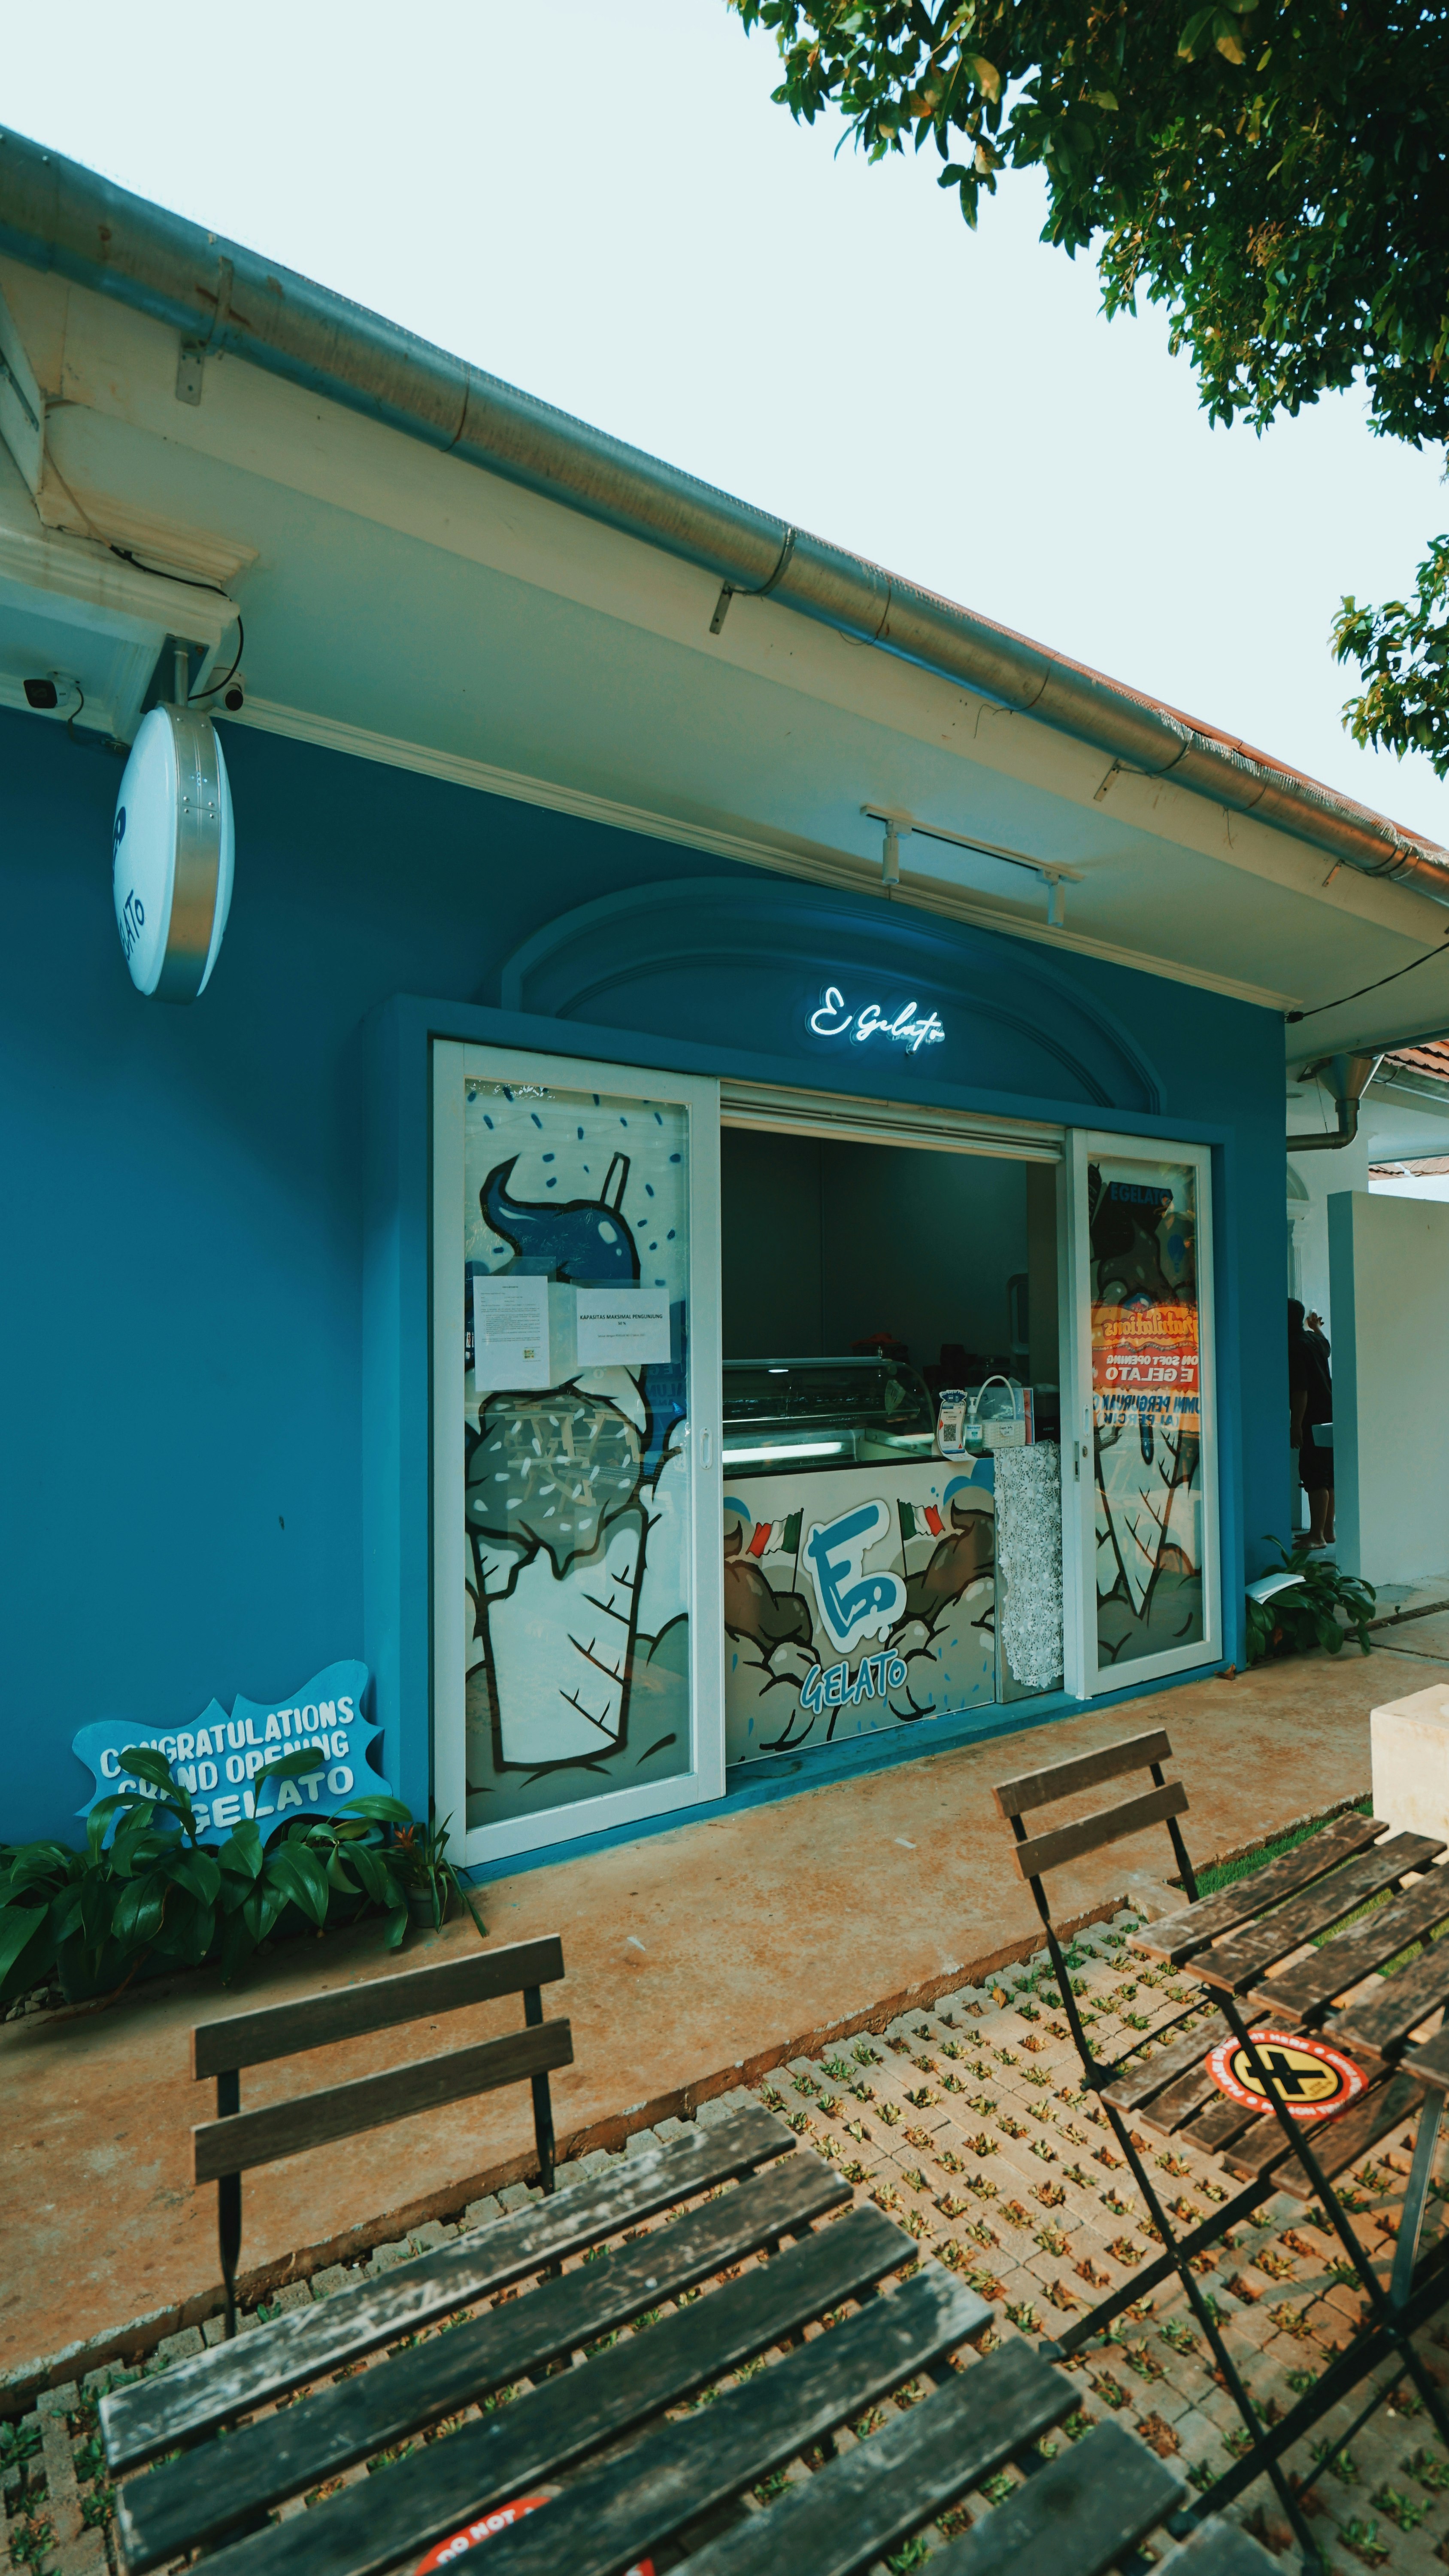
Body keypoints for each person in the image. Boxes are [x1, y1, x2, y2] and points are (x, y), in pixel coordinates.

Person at [1288, 1298, 1334, 1546]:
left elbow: (1300, 1390)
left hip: (1312, 1416)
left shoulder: (1294, 1346)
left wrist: (1296, 1425)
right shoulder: (1313, 1339)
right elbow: (1327, 1348)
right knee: (1328, 1475)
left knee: (1315, 1475)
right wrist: (1316, 1327)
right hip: (1330, 1411)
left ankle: (1316, 1536)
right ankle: (1327, 1531)